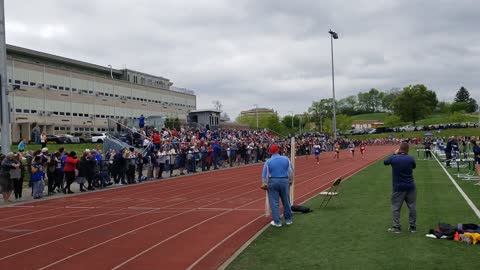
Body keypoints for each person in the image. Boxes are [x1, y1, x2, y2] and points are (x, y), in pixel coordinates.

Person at [383, 142, 417, 233]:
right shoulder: (410, 158)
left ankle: (396, 227)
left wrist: (395, 153)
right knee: (412, 206)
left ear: (399, 148)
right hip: (410, 186)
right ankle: (412, 226)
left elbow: (385, 162)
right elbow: (414, 166)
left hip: (398, 187)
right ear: (407, 150)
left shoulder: (394, 157)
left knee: (396, 207)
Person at [261, 144, 294, 227]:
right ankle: (288, 220)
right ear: (278, 150)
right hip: (284, 180)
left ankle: (277, 222)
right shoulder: (286, 159)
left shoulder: (268, 161)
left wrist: (265, 184)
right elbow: (290, 171)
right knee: (286, 201)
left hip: (272, 181)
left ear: (270, 152)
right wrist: (290, 181)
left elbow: (265, 175)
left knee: (274, 202)